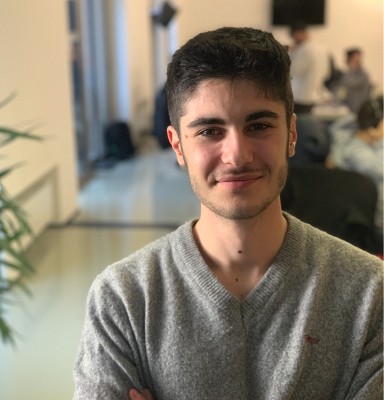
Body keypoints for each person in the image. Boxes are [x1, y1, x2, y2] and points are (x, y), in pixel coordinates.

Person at [73, 27, 383, 400]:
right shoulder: (124, 299)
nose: (237, 156)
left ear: (291, 133)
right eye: (209, 131)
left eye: (259, 126)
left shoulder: (370, 294)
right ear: (177, 146)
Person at [327, 95, 383, 233]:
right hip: (377, 224)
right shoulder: (359, 156)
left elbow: (342, 124)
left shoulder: (346, 137)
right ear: (373, 127)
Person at [288, 21, 330, 114]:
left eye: (293, 37)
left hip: (301, 97)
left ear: (298, 33)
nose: (294, 40)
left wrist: (292, 53)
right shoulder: (321, 48)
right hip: (315, 96)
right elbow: (326, 73)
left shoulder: (304, 49)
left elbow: (293, 71)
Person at [336, 48, 372, 114]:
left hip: (358, 109)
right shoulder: (347, 73)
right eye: (355, 58)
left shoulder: (362, 75)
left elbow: (348, 83)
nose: (358, 60)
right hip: (348, 107)